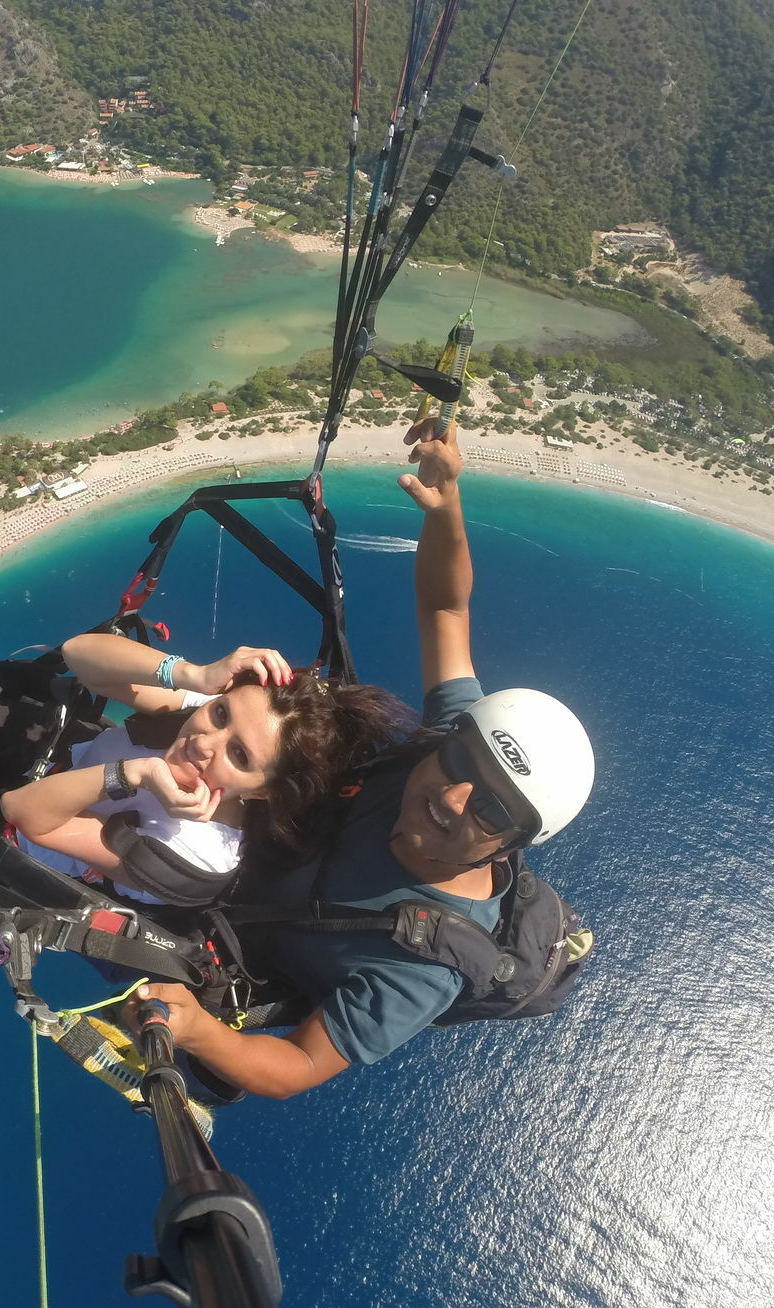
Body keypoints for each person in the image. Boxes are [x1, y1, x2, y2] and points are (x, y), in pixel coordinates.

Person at [133, 417, 596, 1097]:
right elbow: (446, 609)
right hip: (254, 817)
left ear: (510, 845)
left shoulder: (424, 966)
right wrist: (447, 510)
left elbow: (299, 1065)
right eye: (462, 765)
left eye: (491, 807)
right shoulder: (444, 744)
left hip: (229, 915)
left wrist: (199, 1031)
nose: (453, 796)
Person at [0, 637, 408, 906]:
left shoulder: (196, 855)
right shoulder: (200, 714)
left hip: (16, 829)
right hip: (56, 752)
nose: (205, 742)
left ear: (265, 794)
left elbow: (24, 814)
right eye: (220, 714)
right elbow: (80, 656)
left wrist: (134, 775)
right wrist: (193, 672)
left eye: (239, 757)